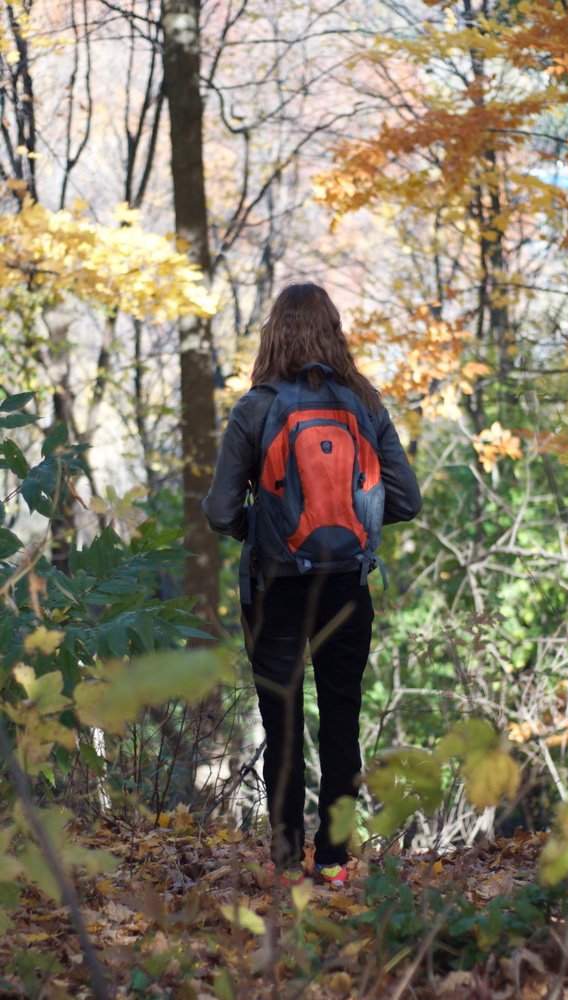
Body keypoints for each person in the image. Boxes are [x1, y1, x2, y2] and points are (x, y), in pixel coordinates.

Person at [202, 283, 422, 887]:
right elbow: (407, 500)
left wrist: (263, 527)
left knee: (283, 723)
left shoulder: (255, 409)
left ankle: (282, 862)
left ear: (275, 331)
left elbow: (220, 512)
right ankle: (335, 861)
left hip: (274, 586)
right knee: (342, 722)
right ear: (334, 332)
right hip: (347, 587)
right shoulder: (366, 407)